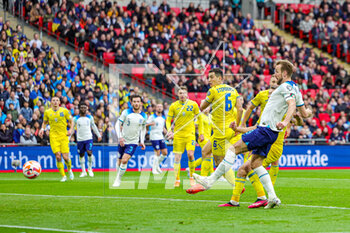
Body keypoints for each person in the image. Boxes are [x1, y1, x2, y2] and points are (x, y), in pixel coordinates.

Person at [191, 60, 312, 209]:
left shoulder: (285, 86)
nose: (274, 74)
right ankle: (272, 197)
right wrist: (309, 112)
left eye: (277, 71)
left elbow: (291, 105)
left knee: (233, 149)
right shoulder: (296, 89)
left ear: (284, 73)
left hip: (265, 130)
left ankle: (210, 181)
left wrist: (286, 121)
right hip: (271, 133)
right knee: (255, 164)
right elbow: (305, 113)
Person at [186, 68, 243, 194]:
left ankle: (236, 184)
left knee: (220, 161)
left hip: (220, 131)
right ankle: (204, 179)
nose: (209, 80)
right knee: (205, 151)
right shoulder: (233, 90)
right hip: (228, 129)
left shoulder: (213, 91)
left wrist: (204, 102)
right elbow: (240, 109)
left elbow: (202, 107)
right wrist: (237, 127)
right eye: (209, 77)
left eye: (212, 77)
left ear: (220, 78)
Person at [166, 86, 203, 187]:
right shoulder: (173, 106)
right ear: (177, 94)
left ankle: (191, 177)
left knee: (190, 155)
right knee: (177, 158)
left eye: (184, 93)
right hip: (178, 135)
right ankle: (177, 180)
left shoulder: (193, 104)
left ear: (187, 94)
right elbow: (168, 120)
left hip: (190, 134)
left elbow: (200, 119)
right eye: (180, 93)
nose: (182, 95)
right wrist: (169, 131)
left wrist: (201, 132)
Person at [113, 95, 147, 187]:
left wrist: (142, 141)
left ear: (140, 103)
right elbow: (117, 124)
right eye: (134, 101)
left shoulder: (143, 116)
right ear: (131, 103)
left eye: (138, 101)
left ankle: (118, 180)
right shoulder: (126, 112)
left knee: (124, 160)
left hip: (133, 142)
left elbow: (143, 129)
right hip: (123, 140)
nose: (136, 103)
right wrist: (120, 137)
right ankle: (117, 176)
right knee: (119, 161)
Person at [39, 96, 74, 182]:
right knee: (58, 156)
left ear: (59, 102)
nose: (55, 102)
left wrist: (71, 130)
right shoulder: (47, 112)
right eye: (53, 100)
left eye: (57, 100)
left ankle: (69, 170)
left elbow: (71, 121)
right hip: (53, 137)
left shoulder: (64, 111)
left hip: (63, 136)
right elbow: (44, 122)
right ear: (51, 102)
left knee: (66, 157)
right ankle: (63, 176)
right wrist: (42, 129)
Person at [72, 103, 102, 178]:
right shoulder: (75, 118)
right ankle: (83, 171)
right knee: (81, 154)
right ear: (79, 109)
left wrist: (98, 135)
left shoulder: (90, 117)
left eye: (84, 107)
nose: (83, 109)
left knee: (89, 152)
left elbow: (93, 126)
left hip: (88, 138)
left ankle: (90, 169)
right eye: (81, 107)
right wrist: (68, 137)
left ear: (87, 109)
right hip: (80, 139)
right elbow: (72, 129)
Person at [146, 103, 168, 175]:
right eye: (158, 107)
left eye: (160, 107)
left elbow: (163, 128)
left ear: (162, 108)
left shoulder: (163, 117)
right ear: (155, 108)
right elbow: (146, 124)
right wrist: (150, 124)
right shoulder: (152, 116)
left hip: (160, 136)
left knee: (165, 153)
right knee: (157, 152)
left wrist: (167, 133)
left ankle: (157, 165)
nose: (159, 108)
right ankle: (154, 169)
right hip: (154, 135)